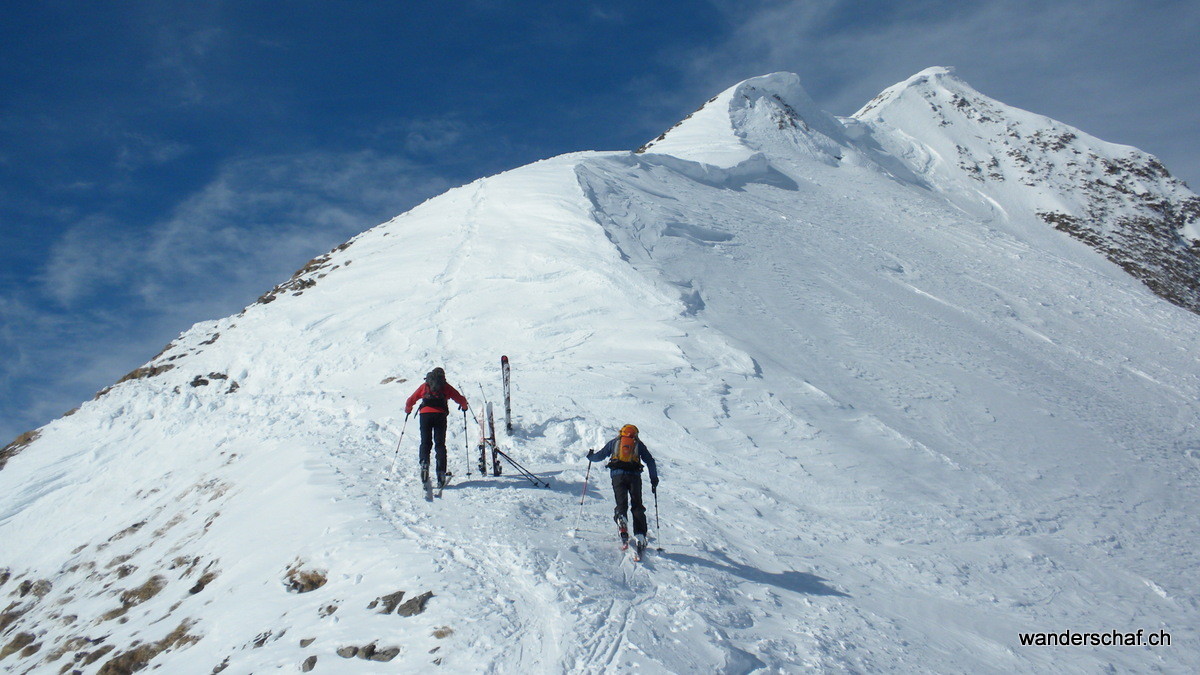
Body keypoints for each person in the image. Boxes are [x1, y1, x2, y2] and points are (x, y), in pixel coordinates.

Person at [587, 424, 659, 552]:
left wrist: (590, 456)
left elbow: (600, 456)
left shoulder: (615, 442)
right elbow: (650, 461)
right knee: (637, 505)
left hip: (617, 476)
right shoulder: (638, 444)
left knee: (621, 502)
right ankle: (640, 534)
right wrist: (654, 479)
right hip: (634, 477)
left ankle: (621, 517)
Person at [405, 368, 468, 488]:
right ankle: (441, 472)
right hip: (440, 415)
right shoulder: (445, 386)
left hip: (425, 415)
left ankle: (424, 462)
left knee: (425, 442)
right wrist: (464, 407)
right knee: (440, 444)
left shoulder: (425, 386)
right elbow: (460, 399)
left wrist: (408, 410)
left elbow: (410, 400)